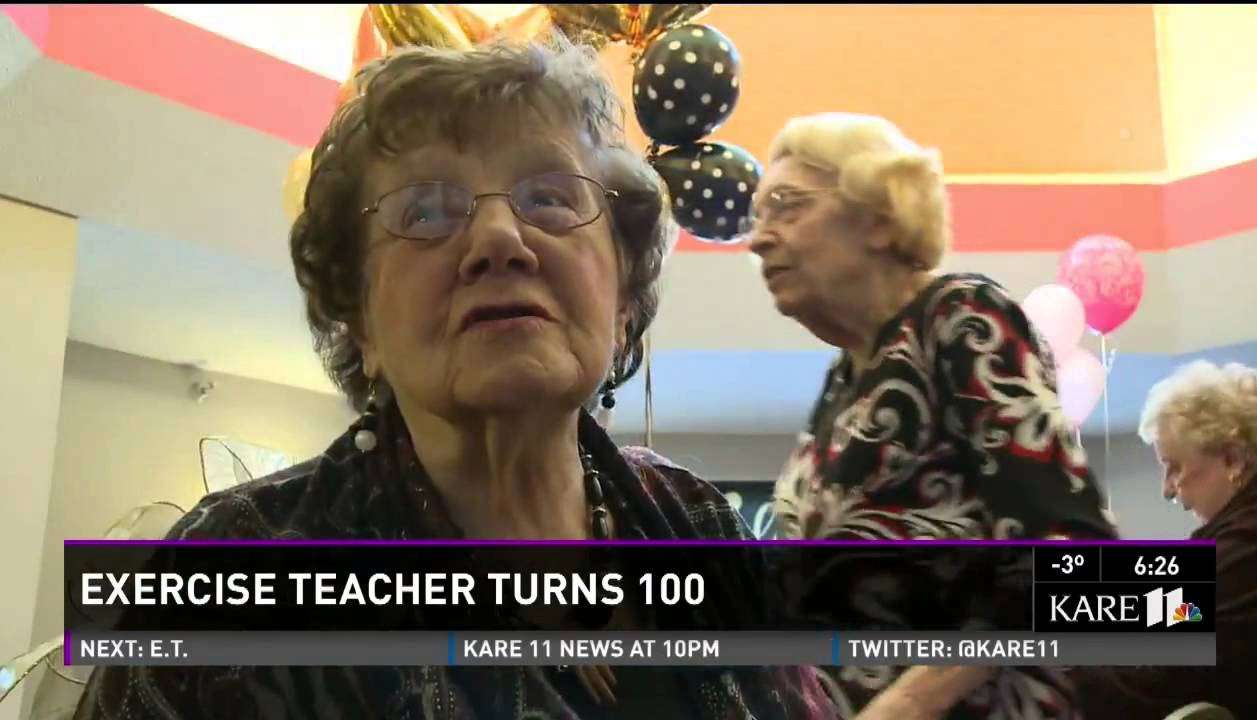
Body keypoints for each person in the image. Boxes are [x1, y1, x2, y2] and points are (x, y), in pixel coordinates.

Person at [73, 39, 835, 720]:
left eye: (550, 197)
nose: (499, 239)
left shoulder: (697, 523)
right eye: (428, 211)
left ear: (624, 304)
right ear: (361, 322)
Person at [743, 112, 1118, 718]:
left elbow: (1072, 549)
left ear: (879, 217)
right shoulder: (845, 379)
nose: (759, 237)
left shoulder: (959, 318)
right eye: (757, 216)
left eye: (787, 206)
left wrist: (910, 703)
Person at [1072, 361, 1257, 719]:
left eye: (1175, 467)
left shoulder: (1252, 545)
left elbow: (1153, 671)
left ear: (1232, 459)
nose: (1168, 490)